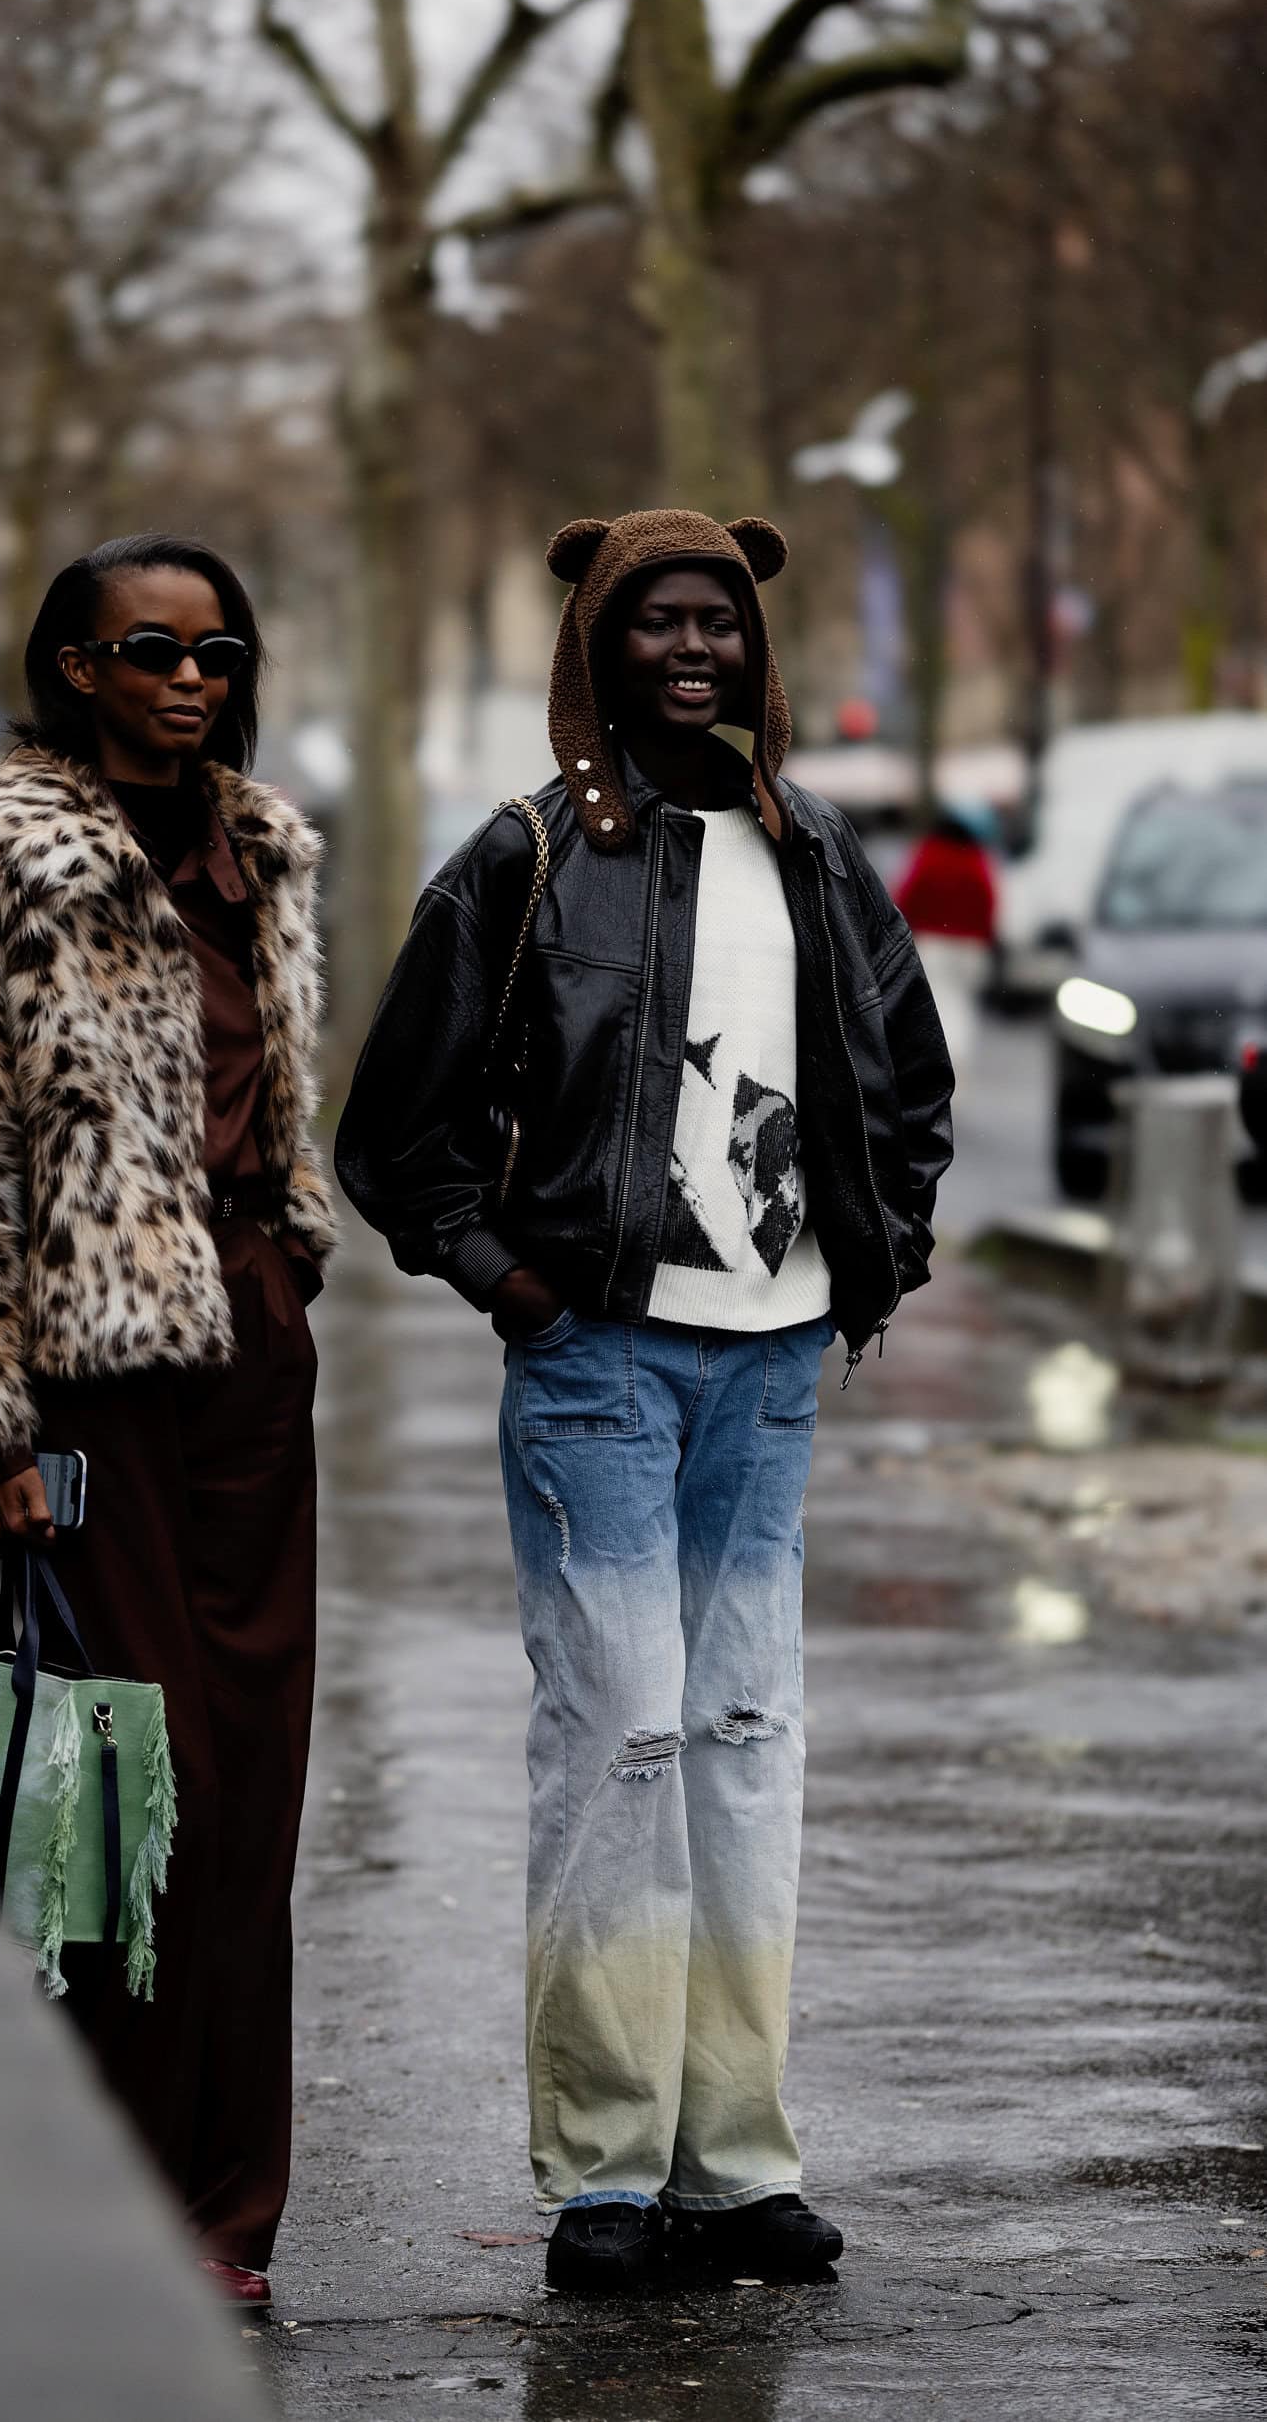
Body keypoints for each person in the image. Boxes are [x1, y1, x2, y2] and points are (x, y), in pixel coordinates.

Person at [336, 509, 954, 2297]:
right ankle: (605, 2174)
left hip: (772, 1370)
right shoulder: (524, 859)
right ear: (596, 647)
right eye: (655, 623)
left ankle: (734, 2164)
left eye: (721, 624)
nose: (694, 649)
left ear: (756, 653)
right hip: (597, 1358)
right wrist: (500, 1276)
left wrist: (872, 1261)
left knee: (750, 1745)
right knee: (620, 1739)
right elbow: (395, 1129)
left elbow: (902, 1076)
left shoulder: (816, 854)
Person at [0, 531, 337, 2305]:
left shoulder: (259, 855)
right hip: (89, 1396)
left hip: (251, 1376)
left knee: (257, 1804)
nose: (195, 677)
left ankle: (234, 2210)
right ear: (75, 664)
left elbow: (275, 1099)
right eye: (155, 648)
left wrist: (287, 1254)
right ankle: (115, 2186)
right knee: (143, 1789)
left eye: (221, 647)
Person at [894, 804, 998, 1091]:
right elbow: (989, 903)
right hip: (971, 948)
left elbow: (906, 895)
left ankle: (932, 1070)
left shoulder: (929, 854)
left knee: (935, 1008)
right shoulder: (977, 859)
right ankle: (956, 1071)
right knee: (962, 1009)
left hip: (933, 944)